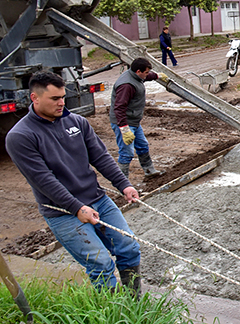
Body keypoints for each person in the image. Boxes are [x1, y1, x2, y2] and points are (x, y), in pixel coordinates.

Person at [5, 72, 142, 294]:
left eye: (62, 97)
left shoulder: (77, 122)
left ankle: (134, 303)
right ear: (35, 98)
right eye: (54, 99)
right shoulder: (21, 136)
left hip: (98, 200)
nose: (61, 103)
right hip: (63, 212)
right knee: (100, 264)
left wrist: (124, 185)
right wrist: (77, 208)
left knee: (129, 248)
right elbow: (43, 179)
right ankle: (116, 315)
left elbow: (100, 157)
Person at [110, 58, 168, 178]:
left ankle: (149, 170)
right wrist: (124, 129)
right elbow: (119, 108)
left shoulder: (136, 76)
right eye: (146, 72)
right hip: (124, 122)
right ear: (138, 71)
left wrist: (157, 76)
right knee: (127, 153)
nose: (147, 75)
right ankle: (122, 183)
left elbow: (145, 76)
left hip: (134, 121)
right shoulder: (126, 85)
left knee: (142, 145)